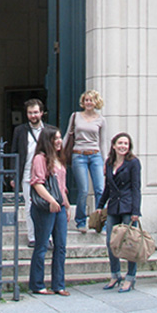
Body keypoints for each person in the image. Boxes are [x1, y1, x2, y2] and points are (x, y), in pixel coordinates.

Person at [29, 126, 71, 296]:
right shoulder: (40, 158)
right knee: (42, 245)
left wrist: (66, 205)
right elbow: (37, 183)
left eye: (60, 138)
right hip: (45, 208)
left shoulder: (59, 158)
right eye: (56, 139)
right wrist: (52, 201)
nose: (59, 141)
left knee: (61, 246)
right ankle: (37, 284)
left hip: (59, 206)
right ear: (48, 141)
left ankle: (59, 284)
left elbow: (62, 187)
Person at [97, 132, 141, 293]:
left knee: (130, 243)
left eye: (126, 144)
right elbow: (108, 186)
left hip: (129, 207)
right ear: (114, 145)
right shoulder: (109, 162)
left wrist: (136, 210)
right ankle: (115, 275)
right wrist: (100, 205)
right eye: (120, 143)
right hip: (114, 206)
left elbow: (136, 187)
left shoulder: (133, 163)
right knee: (111, 242)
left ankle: (130, 277)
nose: (123, 146)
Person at [63, 89, 107, 233]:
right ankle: (81, 221)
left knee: (100, 189)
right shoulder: (75, 116)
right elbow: (67, 135)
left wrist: (105, 161)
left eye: (91, 100)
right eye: (86, 100)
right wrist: (60, 154)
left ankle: (101, 222)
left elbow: (103, 142)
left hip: (95, 155)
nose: (89, 103)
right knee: (83, 190)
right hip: (79, 154)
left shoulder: (101, 120)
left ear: (96, 102)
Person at [10, 98, 48, 246]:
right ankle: (32, 237)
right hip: (26, 173)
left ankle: (47, 237)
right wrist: (14, 176)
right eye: (30, 113)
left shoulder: (49, 130)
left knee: (46, 205)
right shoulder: (20, 131)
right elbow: (14, 152)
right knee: (29, 205)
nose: (33, 115)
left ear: (42, 113)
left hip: (45, 175)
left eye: (36, 112)